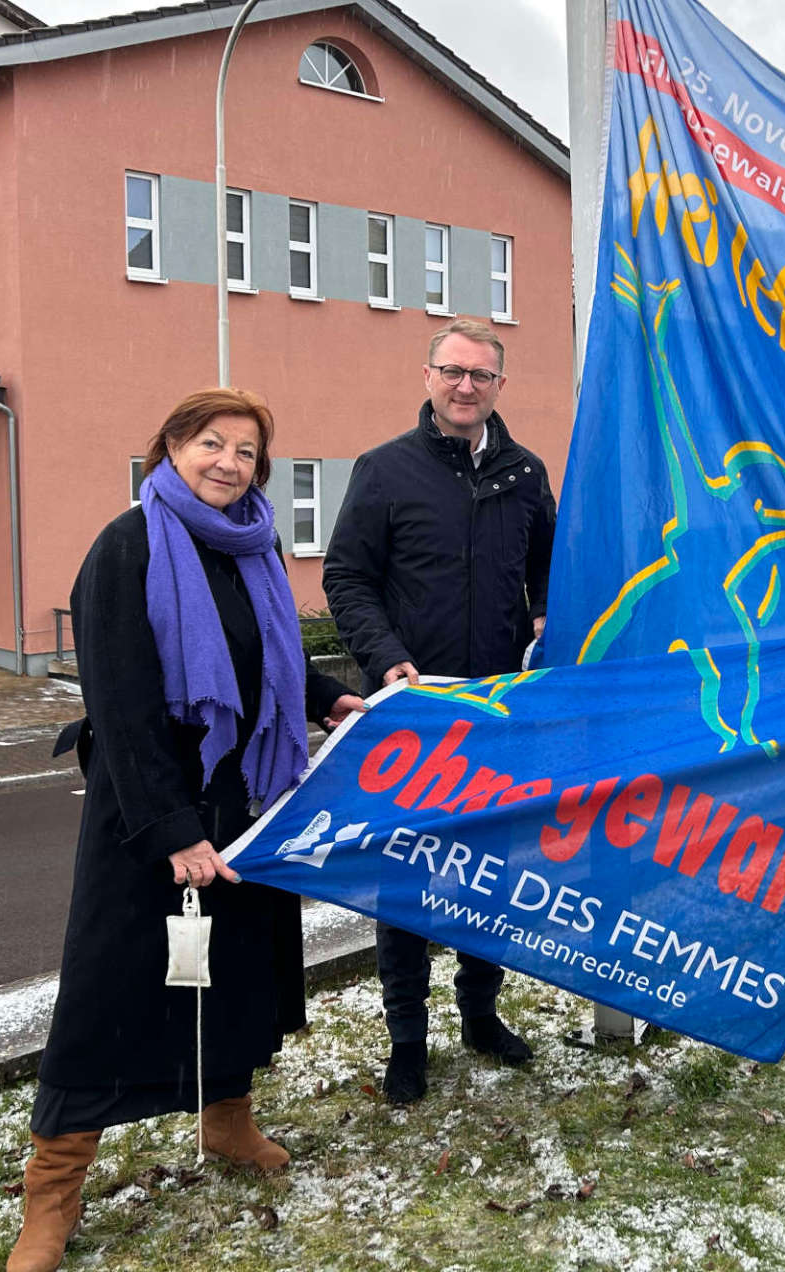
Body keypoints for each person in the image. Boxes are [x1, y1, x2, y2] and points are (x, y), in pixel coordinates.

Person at [11, 389, 364, 1272]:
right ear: (169, 446)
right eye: (212, 443)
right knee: (108, 997)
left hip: (245, 801)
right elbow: (121, 705)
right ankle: (53, 1190)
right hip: (148, 814)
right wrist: (172, 831)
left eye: (247, 453)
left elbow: (270, 653)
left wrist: (327, 701)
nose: (229, 464)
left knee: (238, 977)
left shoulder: (254, 545)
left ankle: (228, 1125)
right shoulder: (128, 547)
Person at [323, 316, 556, 1106]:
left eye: (481, 376)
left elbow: (550, 574)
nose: (465, 387)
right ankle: (406, 1042)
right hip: (412, 716)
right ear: (427, 376)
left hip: (498, 716)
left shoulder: (525, 474)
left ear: (498, 386)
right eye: (452, 372)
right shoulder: (384, 471)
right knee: (407, 883)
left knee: (489, 874)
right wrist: (388, 661)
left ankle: (481, 1015)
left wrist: (545, 618)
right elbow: (346, 579)